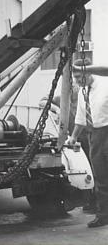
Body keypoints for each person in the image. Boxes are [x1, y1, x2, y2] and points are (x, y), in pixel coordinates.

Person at [39, 74, 94, 212]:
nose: (72, 88)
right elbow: (42, 102)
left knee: (96, 168)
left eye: (74, 85)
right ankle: (89, 201)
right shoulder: (61, 99)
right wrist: (57, 109)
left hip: (90, 136)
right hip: (75, 139)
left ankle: (95, 202)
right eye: (69, 87)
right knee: (83, 169)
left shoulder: (86, 97)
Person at [67, 58, 108, 227]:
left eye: (80, 76)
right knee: (101, 178)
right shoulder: (83, 92)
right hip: (94, 135)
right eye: (75, 77)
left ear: (89, 71)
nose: (77, 81)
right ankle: (104, 215)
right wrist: (74, 136)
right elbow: (81, 118)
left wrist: (82, 67)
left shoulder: (105, 84)